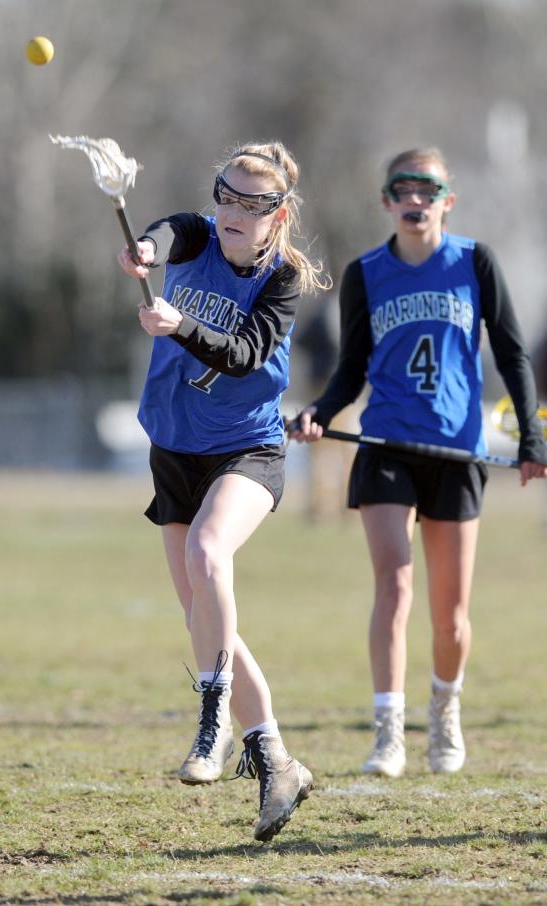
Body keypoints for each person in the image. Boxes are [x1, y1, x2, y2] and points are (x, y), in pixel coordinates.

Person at [289, 147, 547, 778]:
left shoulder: (474, 263)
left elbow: (513, 354)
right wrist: (319, 410)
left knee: (451, 616)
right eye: (403, 189)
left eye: (427, 189)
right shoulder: (367, 272)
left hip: (455, 450)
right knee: (394, 585)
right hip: (385, 447)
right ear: (387, 201)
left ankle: (445, 711)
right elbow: (351, 369)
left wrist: (533, 438)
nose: (415, 199)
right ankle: (388, 733)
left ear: (445, 201)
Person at [118, 141, 329, 842]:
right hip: (174, 448)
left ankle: (212, 728)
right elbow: (164, 231)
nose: (235, 212)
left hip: (247, 448)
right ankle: (275, 759)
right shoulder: (196, 236)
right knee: (203, 616)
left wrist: (181, 326)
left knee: (210, 557)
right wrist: (144, 254)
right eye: (227, 195)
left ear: (279, 214)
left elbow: (242, 357)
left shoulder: (282, 280)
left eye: (254, 203)